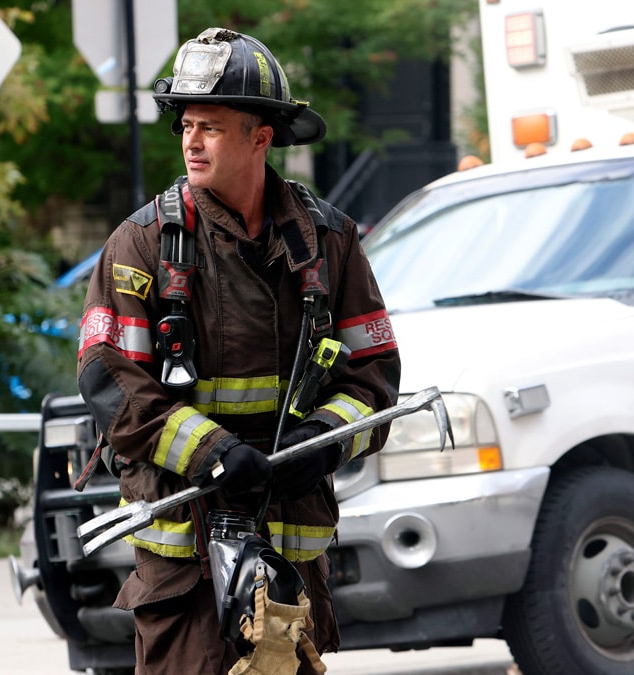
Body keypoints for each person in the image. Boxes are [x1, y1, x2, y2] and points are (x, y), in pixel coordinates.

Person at [76, 27, 401, 675]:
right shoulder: (143, 244)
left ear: (261, 137)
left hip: (289, 555)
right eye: (186, 125)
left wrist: (323, 442)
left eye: (212, 127)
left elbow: (376, 377)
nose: (191, 141)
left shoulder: (329, 242)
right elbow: (110, 383)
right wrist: (214, 453)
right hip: (187, 560)